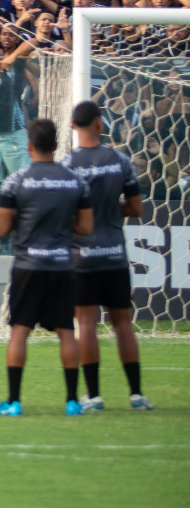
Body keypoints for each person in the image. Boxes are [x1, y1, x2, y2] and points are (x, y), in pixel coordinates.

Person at [0, 117, 93, 417]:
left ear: (29, 146)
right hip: (62, 265)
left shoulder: (15, 181)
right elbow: (86, 228)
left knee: (20, 332)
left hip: (27, 266)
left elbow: (1, 229)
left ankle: (14, 402)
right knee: (66, 332)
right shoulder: (74, 181)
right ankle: (72, 401)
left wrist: (23, 226)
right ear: (56, 145)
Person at [64, 100, 153, 411]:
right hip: (114, 253)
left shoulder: (67, 165)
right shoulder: (120, 161)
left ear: (73, 126)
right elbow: (136, 208)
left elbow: (65, 212)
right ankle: (137, 394)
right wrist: (108, 210)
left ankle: (95, 396)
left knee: (86, 324)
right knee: (123, 324)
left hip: (82, 256)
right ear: (100, 124)